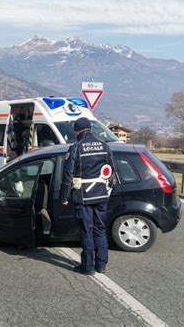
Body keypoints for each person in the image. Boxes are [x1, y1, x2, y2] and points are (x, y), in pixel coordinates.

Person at [60, 117, 115, 275]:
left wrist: (64, 196)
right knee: (100, 229)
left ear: (77, 130)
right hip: (102, 195)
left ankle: (88, 267)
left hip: (83, 196)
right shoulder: (105, 146)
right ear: (90, 129)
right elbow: (112, 169)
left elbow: (68, 173)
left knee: (87, 230)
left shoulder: (76, 147)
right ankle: (101, 264)